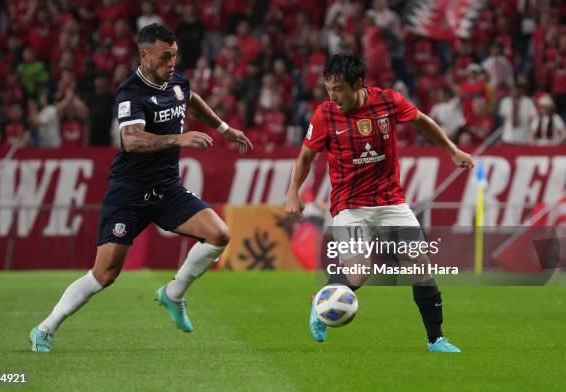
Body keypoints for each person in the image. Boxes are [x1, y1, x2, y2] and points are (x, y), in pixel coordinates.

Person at [29, 24, 253, 352]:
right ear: (144, 56)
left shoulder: (176, 80)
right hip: (130, 193)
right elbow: (131, 140)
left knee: (219, 234)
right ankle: (45, 329)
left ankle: (173, 294)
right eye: (165, 57)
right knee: (104, 274)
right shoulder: (131, 92)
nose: (171, 63)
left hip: (167, 188)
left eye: (174, 56)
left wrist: (223, 127)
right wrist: (179, 138)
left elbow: (189, 99)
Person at [285, 54, 474, 352]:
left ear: (358, 84)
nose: (333, 96)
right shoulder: (324, 115)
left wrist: (452, 150)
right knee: (359, 271)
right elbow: (306, 156)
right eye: (328, 88)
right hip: (349, 206)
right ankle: (322, 305)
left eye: (339, 89)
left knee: (419, 264)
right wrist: (293, 191)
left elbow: (422, 121)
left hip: (391, 202)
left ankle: (436, 339)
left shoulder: (388, 102)